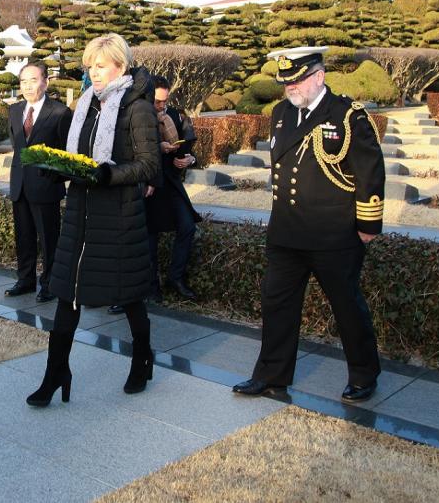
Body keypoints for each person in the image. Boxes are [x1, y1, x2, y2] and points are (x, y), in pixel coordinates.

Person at [232, 46, 385, 402]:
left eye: (298, 80)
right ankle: (271, 375)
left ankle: (364, 374)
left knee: (347, 306)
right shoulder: (282, 113)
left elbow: (369, 171)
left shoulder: (348, 115)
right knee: (277, 305)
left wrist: (368, 224)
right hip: (286, 231)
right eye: (286, 81)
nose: (290, 88)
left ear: (319, 77)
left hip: (334, 233)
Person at [27, 33, 160, 407]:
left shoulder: (138, 107)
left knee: (129, 295)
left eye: (100, 66)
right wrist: (60, 169)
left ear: (120, 65)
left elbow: (149, 166)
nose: (94, 73)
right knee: (66, 295)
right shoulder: (86, 103)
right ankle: (56, 374)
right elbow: (82, 158)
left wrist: (108, 174)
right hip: (79, 214)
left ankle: (142, 358)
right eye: (90, 66)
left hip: (118, 216)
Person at [5, 61, 71, 302]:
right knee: (23, 237)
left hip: (46, 186)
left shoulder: (60, 112)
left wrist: (53, 175)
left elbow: (67, 152)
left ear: (46, 82)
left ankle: (50, 284)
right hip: (20, 185)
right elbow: (17, 145)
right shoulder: (14, 111)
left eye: (34, 80)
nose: (28, 86)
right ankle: (25, 280)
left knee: (49, 239)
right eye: (24, 81)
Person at [145, 75, 201, 301]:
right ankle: (151, 286)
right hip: (151, 184)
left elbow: (189, 147)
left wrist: (189, 159)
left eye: (164, 101)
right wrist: (159, 148)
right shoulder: (141, 116)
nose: (162, 106)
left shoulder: (176, 115)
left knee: (187, 226)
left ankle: (175, 277)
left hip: (172, 182)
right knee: (150, 236)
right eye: (158, 102)